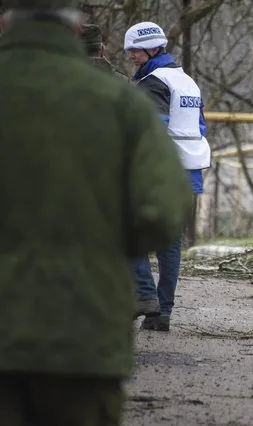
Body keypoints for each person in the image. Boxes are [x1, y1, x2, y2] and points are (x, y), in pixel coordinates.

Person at [0, 1, 191, 424]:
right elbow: (163, 211)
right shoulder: (121, 100)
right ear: (77, 28)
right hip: (83, 335)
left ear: (5, 22)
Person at [124, 21, 211, 331]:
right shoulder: (187, 81)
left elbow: (153, 131)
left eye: (134, 50)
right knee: (170, 244)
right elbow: (200, 127)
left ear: (151, 49)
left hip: (159, 171)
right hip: (189, 171)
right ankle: (163, 314)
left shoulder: (153, 82)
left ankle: (146, 296)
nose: (131, 56)